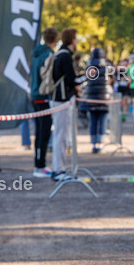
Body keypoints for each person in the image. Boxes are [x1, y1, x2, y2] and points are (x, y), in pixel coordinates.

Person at [49, 28, 80, 181]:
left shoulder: (59, 55)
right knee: (61, 136)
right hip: (61, 100)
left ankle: (59, 168)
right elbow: (72, 80)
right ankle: (58, 170)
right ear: (72, 40)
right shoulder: (65, 56)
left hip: (58, 99)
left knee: (60, 135)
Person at [29, 27, 58, 178]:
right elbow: (48, 77)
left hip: (34, 94)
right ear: (55, 39)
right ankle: (40, 166)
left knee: (39, 131)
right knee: (44, 132)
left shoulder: (35, 54)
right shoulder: (48, 55)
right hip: (43, 95)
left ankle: (39, 164)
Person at [83, 47, 113, 153]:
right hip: (104, 98)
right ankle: (100, 142)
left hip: (91, 98)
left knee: (93, 120)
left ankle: (93, 142)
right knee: (103, 120)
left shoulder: (89, 68)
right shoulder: (107, 67)